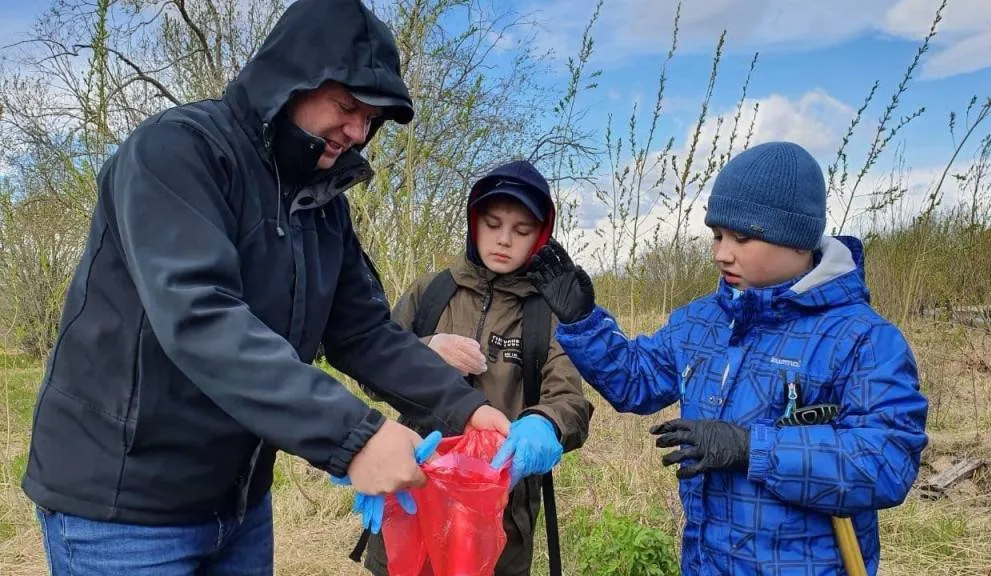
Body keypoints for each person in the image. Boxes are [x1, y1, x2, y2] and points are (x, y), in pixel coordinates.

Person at [21, 0, 510, 573]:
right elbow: (202, 319)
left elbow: (364, 333)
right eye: (348, 106)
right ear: (292, 81)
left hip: (240, 502)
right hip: (121, 507)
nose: (359, 131)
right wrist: (354, 436)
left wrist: (466, 408)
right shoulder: (177, 153)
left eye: (372, 119)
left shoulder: (323, 203)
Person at [526, 141, 929, 575]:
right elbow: (635, 382)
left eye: (742, 237)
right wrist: (583, 322)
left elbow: (886, 461)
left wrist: (750, 447)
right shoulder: (701, 321)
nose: (722, 252)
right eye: (717, 235)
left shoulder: (862, 338)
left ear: (797, 240)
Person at [362, 160, 594, 576]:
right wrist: (424, 350)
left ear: (540, 236)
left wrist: (545, 424)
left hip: (498, 511)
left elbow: (570, 402)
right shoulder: (430, 292)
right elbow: (373, 373)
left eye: (522, 231)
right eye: (492, 223)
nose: (504, 240)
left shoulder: (546, 315)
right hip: (415, 493)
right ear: (474, 223)